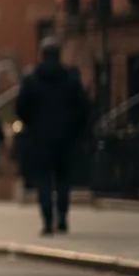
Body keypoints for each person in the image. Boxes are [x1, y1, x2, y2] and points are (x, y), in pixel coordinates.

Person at [16, 38, 89, 236]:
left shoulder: (31, 80)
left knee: (43, 179)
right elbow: (83, 108)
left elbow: (21, 108)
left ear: (42, 54)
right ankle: (62, 218)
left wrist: (32, 124)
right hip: (65, 138)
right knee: (63, 178)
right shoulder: (71, 79)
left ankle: (48, 221)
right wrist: (74, 129)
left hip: (39, 138)